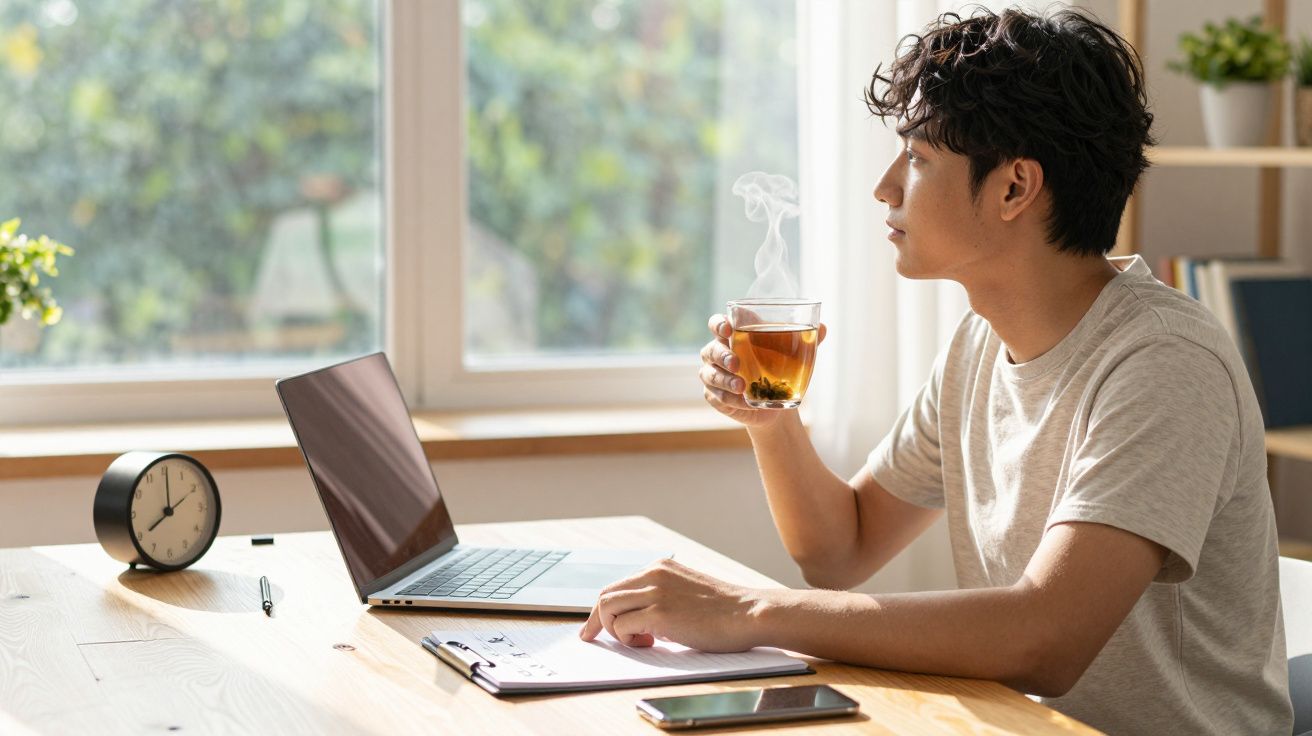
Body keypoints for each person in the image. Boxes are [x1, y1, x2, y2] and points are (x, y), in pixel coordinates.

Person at [579, 7, 1293, 734]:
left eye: (917, 158)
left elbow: (1045, 639)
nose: (885, 187)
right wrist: (770, 418)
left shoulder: (1165, 362)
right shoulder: (978, 345)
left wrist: (746, 611)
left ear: (1014, 188)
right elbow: (841, 550)